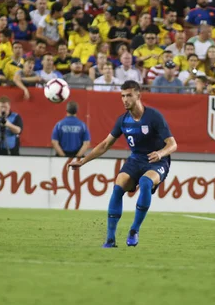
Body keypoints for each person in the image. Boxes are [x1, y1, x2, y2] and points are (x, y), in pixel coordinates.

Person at [69, 80, 178, 248]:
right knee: (118, 187)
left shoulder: (154, 116)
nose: (125, 99)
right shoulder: (122, 120)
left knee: (145, 182)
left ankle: (134, 230)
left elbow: (172, 144)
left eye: (129, 95)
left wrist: (160, 153)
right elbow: (105, 145)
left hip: (157, 160)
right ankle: (110, 239)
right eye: (122, 96)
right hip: (135, 160)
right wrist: (83, 161)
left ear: (138, 96)